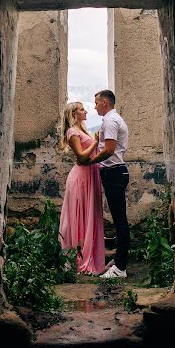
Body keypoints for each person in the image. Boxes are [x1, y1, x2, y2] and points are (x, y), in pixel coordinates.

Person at [78, 90, 130, 278]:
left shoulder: (109, 121)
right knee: (119, 219)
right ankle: (118, 261)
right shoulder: (113, 119)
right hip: (116, 171)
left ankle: (120, 268)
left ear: (105, 102)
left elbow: (108, 151)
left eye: (97, 103)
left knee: (120, 220)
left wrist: (89, 162)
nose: (94, 106)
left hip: (114, 172)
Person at [58, 102, 105, 275]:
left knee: (88, 214)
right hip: (81, 177)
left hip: (90, 175)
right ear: (74, 114)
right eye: (82, 109)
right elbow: (81, 156)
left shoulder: (83, 130)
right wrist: (96, 142)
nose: (85, 111)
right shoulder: (72, 132)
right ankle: (79, 258)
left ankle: (89, 254)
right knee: (80, 215)